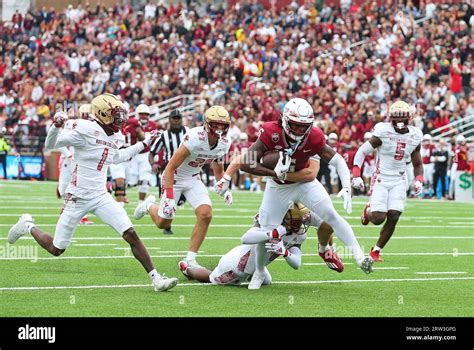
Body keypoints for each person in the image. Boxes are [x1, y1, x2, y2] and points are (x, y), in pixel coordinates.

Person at [8, 93, 177, 292]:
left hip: (101, 196)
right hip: (77, 197)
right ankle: (27, 226)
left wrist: (145, 143)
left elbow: (117, 157)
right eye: (117, 115)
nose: (121, 120)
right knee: (56, 249)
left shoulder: (115, 135)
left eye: (121, 115)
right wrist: (56, 126)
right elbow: (50, 145)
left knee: (130, 233)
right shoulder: (85, 128)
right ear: (103, 114)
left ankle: (156, 279)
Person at [215, 98, 373, 290]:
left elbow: (337, 160)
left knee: (331, 215)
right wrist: (274, 173)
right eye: (295, 125)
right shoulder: (270, 131)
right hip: (277, 187)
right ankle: (258, 271)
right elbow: (248, 163)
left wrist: (347, 186)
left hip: (304, 184)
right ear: (284, 120)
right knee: (266, 229)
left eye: (303, 126)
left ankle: (358, 256)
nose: (299, 130)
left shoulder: (314, 136)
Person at [134, 105, 233, 268]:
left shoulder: (224, 143)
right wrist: (170, 196)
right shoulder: (195, 137)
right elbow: (170, 168)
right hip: (174, 177)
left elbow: (218, 168)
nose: (219, 128)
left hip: (194, 179)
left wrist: (225, 189)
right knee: (163, 223)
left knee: (206, 214)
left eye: (223, 125)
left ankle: (191, 259)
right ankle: (148, 205)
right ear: (207, 123)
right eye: (215, 124)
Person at [178, 203, 342, 285]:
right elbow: (246, 237)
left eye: (303, 220)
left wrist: (285, 252)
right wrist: (273, 234)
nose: (301, 225)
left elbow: (297, 263)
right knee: (211, 279)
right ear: (285, 218)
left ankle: (257, 271)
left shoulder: (298, 235)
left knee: (267, 282)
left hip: (258, 265)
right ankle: (187, 268)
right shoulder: (271, 223)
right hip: (238, 264)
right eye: (297, 221)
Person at [351, 101, 423, 262]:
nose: (399, 122)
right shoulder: (383, 131)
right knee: (378, 218)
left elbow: (417, 163)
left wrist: (419, 179)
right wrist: (356, 174)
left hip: (400, 179)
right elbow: (362, 152)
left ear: (409, 118)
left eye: (402, 118)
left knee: (394, 215)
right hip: (381, 178)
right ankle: (368, 211)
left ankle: (376, 251)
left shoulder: (415, 135)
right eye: (396, 118)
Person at [149, 109, 189, 234]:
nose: (176, 121)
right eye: (174, 118)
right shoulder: (164, 136)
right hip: (168, 170)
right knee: (166, 201)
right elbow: (152, 152)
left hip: (186, 170)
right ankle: (167, 226)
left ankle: (149, 206)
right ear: (170, 120)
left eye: (178, 118)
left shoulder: (188, 132)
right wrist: (153, 163)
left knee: (180, 200)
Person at [56, 104, 94, 225]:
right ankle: (67, 210)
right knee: (63, 190)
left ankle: (81, 216)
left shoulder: (94, 125)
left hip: (82, 161)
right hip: (70, 160)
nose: (88, 116)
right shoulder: (72, 123)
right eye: (86, 114)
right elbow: (59, 142)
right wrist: (68, 155)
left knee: (80, 188)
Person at [126, 104, 157, 206]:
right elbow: (127, 120)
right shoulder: (132, 123)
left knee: (145, 179)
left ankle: (141, 202)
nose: (144, 116)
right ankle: (121, 196)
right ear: (137, 114)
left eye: (146, 114)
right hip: (133, 154)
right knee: (131, 180)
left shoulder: (152, 124)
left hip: (146, 154)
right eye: (141, 114)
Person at [449, 134, 469, 200]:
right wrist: (449, 168)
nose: (460, 143)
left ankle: (460, 195)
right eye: (459, 141)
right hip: (455, 165)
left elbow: (467, 157)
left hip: (462, 166)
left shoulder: (466, 148)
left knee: (460, 181)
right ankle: (451, 195)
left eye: (461, 141)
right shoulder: (454, 148)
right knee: (453, 180)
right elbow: (451, 159)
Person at [420, 134, 435, 198]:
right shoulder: (422, 147)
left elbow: (433, 155)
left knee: (430, 179)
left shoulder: (432, 146)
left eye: (427, 140)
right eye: (425, 140)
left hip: (430, 164)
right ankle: (425, 193)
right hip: (424, 164)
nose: (426, 141)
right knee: (425, 179)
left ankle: (431, 193)